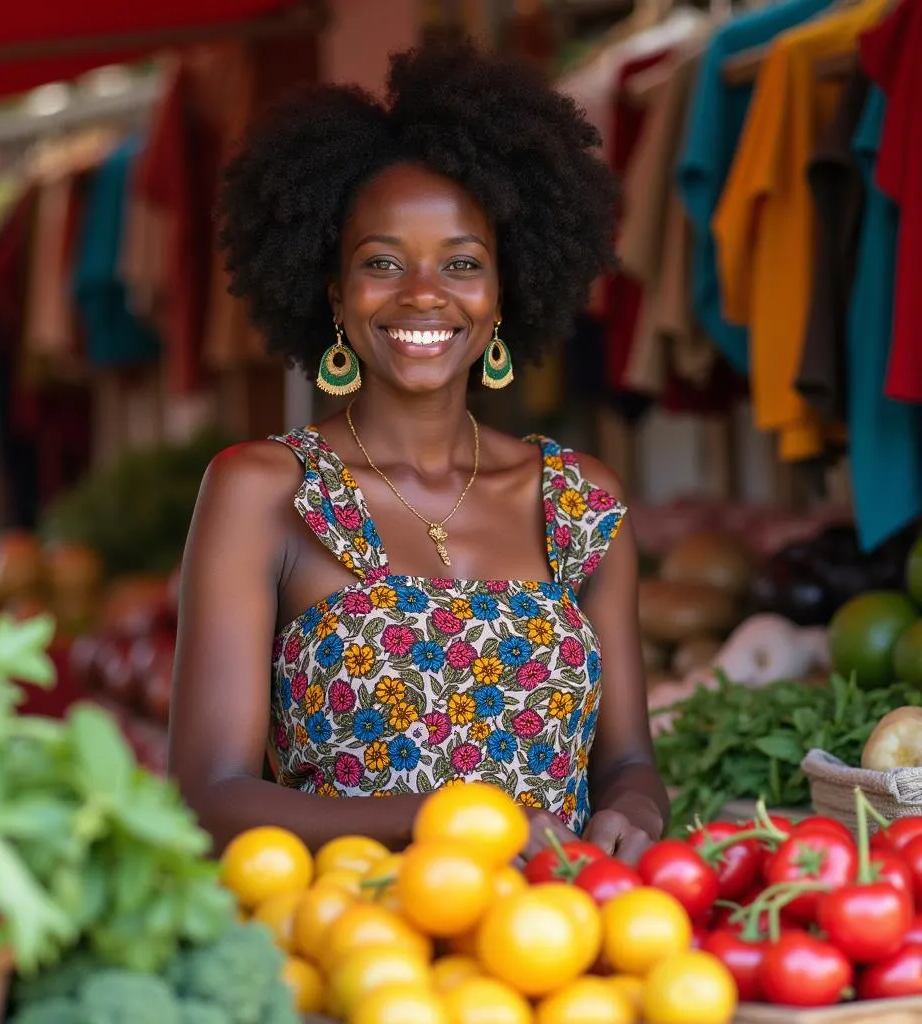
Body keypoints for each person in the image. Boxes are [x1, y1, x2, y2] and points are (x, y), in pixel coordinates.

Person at [169, 41, 669, 865]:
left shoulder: (581, 501)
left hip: (558, 945)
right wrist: (440, 818)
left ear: (504, 290)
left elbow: (629, 762)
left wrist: (633, 812)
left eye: (463, 264)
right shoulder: (262, 490)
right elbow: (208, 796)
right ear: (335, 292)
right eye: (382, 263)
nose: (424, 295)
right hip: (357, 947)